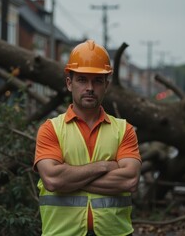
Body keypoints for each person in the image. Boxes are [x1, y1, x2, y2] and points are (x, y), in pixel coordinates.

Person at [34, 39, 142, 236]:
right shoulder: (51, 129)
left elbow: (130, 180)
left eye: (97, 81)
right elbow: (53, 180)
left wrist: (69, 180)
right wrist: (105, 166)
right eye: (82, 79)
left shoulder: (123, 130)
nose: (90, 87)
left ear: (106, 85)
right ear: (69, 83)